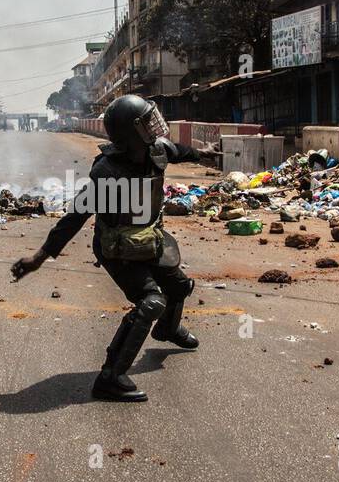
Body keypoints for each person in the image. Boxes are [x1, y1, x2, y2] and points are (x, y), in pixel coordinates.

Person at [12, 95, 200, 402]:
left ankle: (168, 329)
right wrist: (39, 257)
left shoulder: (157, 150)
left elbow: (182, 151)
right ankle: (110, 378)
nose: (154, 126)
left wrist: (207, 152)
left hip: (149, 236)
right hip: (117, 246)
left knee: (178, 286)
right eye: (146, 123)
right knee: (151, 302)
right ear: (131, 133)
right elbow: (75, 217)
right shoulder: (108, 172)